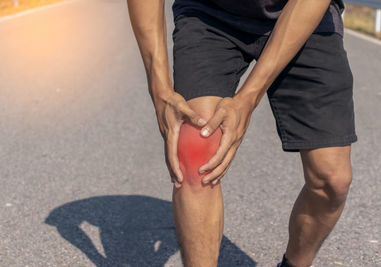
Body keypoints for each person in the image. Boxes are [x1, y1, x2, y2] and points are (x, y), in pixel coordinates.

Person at [127, 0, 358, 266]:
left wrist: (247, 99)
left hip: (304, 16)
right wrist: (160, 91)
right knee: (195, 151)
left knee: (331, 180)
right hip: (211, 13)